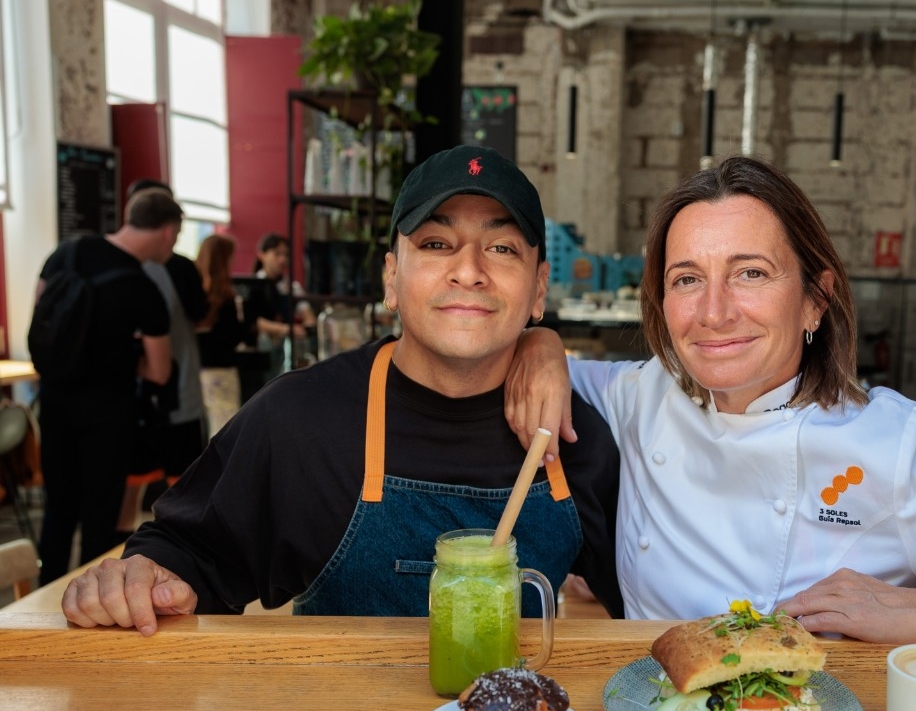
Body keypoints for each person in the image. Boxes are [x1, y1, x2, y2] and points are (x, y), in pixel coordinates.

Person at [506, 155, 916, 667]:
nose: (713, 312)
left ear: (814, 298)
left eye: (751, 272)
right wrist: (538, 342)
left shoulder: (892, 453)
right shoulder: (639, 393)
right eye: (687, 279)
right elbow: (497, 361)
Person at [61, 145, 622, 635]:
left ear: (539, 287)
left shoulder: (580, 440)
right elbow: (187, 553)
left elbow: (649, 608)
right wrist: (142, 580)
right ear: (390, 279)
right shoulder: (301, 421)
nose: (469, 270)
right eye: (434, 243)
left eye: (501, 249)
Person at [32, 189, 180, 584]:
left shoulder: (66, 252)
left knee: (58, 511)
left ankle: (40, 607)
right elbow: (159, 371)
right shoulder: (143, 288)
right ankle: (92, 606)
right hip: (107, 409)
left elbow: (44, 321)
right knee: (100, 514)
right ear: (168, 231)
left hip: (53, 399)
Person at [118, 180, 210, 533]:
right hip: (174, 390)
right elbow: (199, 314)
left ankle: (128, 543)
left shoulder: (119, 264)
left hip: (135, 394)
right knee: (182, 482)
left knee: (132, 480)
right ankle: (176, 547)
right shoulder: (178, 266)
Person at [195, 233, 253, 436]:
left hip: (197, 370)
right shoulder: (224, 297)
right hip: (222, 370)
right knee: (224, 431)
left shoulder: (194, 293)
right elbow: (236, 335)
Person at [243, 232, 315, 379]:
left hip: (288, 350)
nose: (282, 259)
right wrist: (286, 329)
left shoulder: (291, 287)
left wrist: (305, 328)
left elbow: (308, 315)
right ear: (262, 255)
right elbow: (254, 322)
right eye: (277, 254)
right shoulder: (252, 286)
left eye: (286, 255)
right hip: (263, 354)